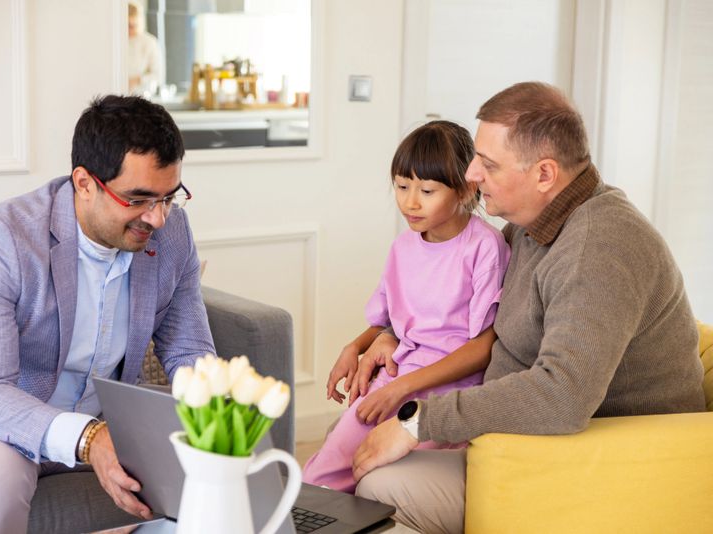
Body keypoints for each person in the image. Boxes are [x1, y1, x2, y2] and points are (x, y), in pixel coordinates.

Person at [351, 82, 707, 533]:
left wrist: (417, 422)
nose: (472, 175)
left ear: (544, 175)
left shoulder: (597, 248)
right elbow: (450, 303)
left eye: (488, 164)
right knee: (358, 453)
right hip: (521, 446)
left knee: (378, 488)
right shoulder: (530, 226)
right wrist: (387, 335)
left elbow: (563, 395)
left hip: (602, 468)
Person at [0, 95, 215, 532]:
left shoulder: (172, 235)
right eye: (139, 199)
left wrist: (213, 419)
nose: (158, 219)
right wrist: (90, 438)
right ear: (85, 183)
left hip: (99, 417)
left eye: (169, 197)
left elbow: (189, 351)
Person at [302, 121, 510, 493]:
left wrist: (402, 389)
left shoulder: (484, 247)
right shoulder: (402, 247)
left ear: (466, 188)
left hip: (446, 391)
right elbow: (388, 322)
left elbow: (482, 347)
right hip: (397, 376)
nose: (410, 202)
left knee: (374, 472)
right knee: (319, 477)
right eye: (401, 186)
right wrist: (354, 347)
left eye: (427, 191)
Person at [128, 1, 164, 94]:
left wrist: (138, 80)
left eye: (133, 26)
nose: (130, 30)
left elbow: (158, 76)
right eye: (128, 25)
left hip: (140, 95)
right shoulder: (117, 43)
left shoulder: (149, 42)